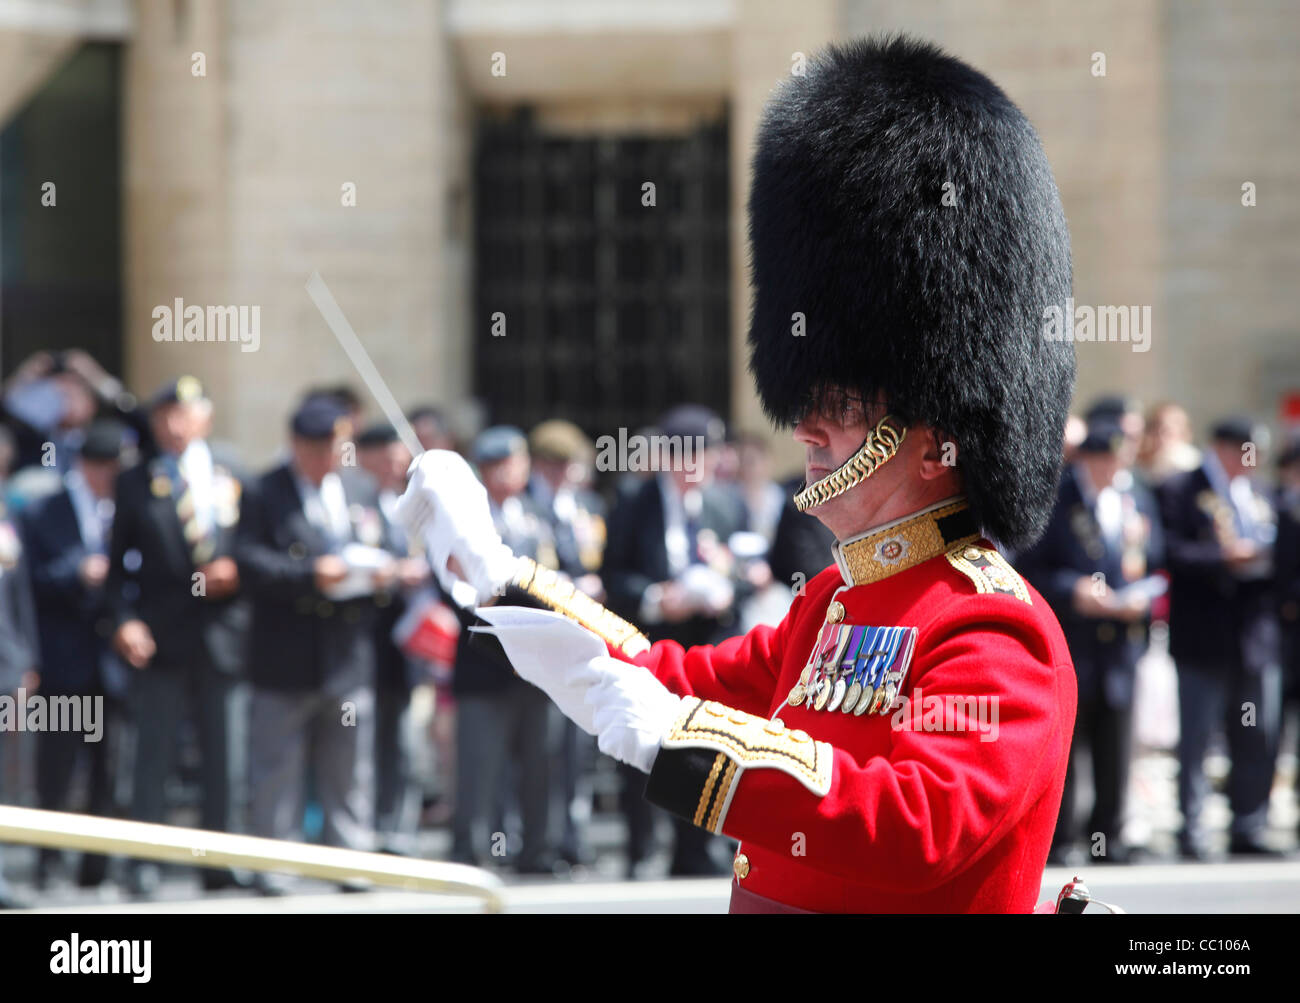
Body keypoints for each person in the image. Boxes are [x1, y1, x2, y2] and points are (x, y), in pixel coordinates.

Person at [398, 36, 1078, 912]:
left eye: (843, 402)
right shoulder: (831, 602)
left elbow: (921, 824)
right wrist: (499, 572)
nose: (806, 424)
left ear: (929, 428)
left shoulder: (992, 628)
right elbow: (669, 670)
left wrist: (683, 744)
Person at [237, 400, 401, 892]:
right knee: (276, 768)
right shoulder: (264, 491)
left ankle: (348, 859)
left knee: (350, 766)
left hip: (346, 654)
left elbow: (389, 545)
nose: (330, 455)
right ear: (297, 446)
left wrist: (382, 571)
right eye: (319, 447)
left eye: (338, 445)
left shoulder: (358, 489)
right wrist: (310, 575)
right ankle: (276, 863)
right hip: (285, 656)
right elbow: (248, 562)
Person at [106, 377, 249, 897]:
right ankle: (145, 861)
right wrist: (124, 620)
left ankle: (223, 860)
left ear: (205, 417)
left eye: (183, 412)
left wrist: (238, 572)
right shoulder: (137, 479)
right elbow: (118, 569)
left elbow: (258, 549)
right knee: (153, 755)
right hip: (162, 637)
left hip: (223, 634)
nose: (172, 423)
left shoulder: (233, 472)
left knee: (226, 757)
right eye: (163, 414)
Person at [602, 404, 746, 877]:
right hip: (653, 642)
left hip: (707, 645)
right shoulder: (633, 501)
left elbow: (749, 565)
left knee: (703, 745)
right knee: (643, 742)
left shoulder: (725, 503)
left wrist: (729, 584)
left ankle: (696, 849)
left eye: (705, 458)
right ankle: (642, 848)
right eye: (687, 458)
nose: (696, 470)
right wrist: (655, 598)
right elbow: (613, 576)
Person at [1018, 417, 1164, 865]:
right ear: (1089, 459)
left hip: (1119, 640)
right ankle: (1062, 840)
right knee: (1067, 744)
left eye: (1119, 460)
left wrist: (1140, 596)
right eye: (1105, 460)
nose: (1113, 468)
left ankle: (1110, 835)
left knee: (1115, 742)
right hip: (1073, 637)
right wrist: (1074, 590)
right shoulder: (1058, 498)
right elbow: (1029, 567)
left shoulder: (1132, 496)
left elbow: (1154, 558)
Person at [1157, 416, 1283, 858]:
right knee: (1197, 736)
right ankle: (1192, 830)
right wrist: (1225, 557)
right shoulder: (1182, 489)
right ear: (1225, 449)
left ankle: (1248, 826)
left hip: (1254, 635)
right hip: (1204, 635)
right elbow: (1170, 551)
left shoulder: (1262, 494)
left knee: (1256, 734)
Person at [20, 419, 132, 889]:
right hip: (62, 660)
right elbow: (29, 583)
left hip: (111, 662)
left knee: (110, 769)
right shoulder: (45, 511)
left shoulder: (127, 509)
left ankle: (97, 867)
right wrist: (77, 571)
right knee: (56, 768)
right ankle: (47, 862)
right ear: (87, 465)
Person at [447, 427, 559, 872]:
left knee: (540, 761)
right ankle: (471, 851)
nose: (507, 473)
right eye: (497, 465)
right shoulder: (468, 518)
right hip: (487, 658)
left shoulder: (537, 511)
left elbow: (563, 560)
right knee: (480, 764)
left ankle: (538, 849)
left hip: (538, 660)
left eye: (514, 463)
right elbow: (461, 588)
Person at [356, 422, 429, 854]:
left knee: (403, 743)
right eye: (387, 457)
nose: (396, 466)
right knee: (361, 743)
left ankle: (398, 829)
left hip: (406, 646)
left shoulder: (411, 506)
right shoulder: (353, 500)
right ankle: (364, 830)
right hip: (364, 641)